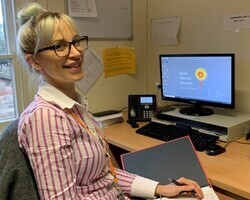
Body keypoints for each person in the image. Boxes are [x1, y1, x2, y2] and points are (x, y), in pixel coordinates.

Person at [16, 2, 204, 200]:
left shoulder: (74, 107)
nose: (76, 53)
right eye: (59, 46)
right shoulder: (45, 118)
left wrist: (160, 189)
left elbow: (105, 176)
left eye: (76, 41)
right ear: (34, 61)